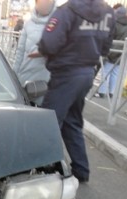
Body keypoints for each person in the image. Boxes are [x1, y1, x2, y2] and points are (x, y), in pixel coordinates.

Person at [38, 0, 115, 183]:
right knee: (72, 121)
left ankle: (41, 169)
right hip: (87, 72)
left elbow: (49, 43)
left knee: (47, 123)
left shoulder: (67, 10)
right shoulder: (108, 12)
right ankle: (81, 170)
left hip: (66, 73)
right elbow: (106, 47)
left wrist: (47, 52)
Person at [13, 0, 56, 105]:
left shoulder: (58, 23)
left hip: (47, 81)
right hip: (25, 77)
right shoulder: (28, 24)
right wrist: (13, 77)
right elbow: (20, 52)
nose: (44, 3)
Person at [96, 5, 127, 98]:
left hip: (111, 51)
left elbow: (109, 37)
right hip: (123, 53)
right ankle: (111, 92)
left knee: (106, 72)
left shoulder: (114, 23)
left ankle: (102, 92)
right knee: (115, 74)